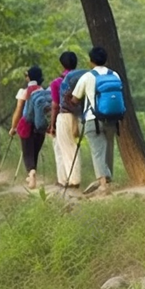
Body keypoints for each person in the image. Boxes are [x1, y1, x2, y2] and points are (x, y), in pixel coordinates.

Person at [71, 46, 120, 195]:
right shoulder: (115, 75)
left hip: (93, 118)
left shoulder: (87, 76)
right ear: (105, 59)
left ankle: (103, 185)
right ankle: (106, 179)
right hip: (112, 118)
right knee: (108, 149)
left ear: (90, 61)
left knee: (98, 151)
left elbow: (75, 98)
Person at [8, 65, 45, 189]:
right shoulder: (43, 91)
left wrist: (13, 127)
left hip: (26, 126)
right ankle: (32, 174)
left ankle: (31, 173)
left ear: (29, 78)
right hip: (40, 126)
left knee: (27, 153)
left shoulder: (23, 92)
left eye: (26, 75)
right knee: (34, 151)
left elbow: (19, 110)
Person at [48, 51, 81, 188]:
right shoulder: (81, 78)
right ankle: (70, 178)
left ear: (62, 64)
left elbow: (55, 105)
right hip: (79, 117)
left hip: (64, 116)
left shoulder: (57, 82)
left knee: (66, 147)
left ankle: (72, 180)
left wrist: (52, 125)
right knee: (73, 146)